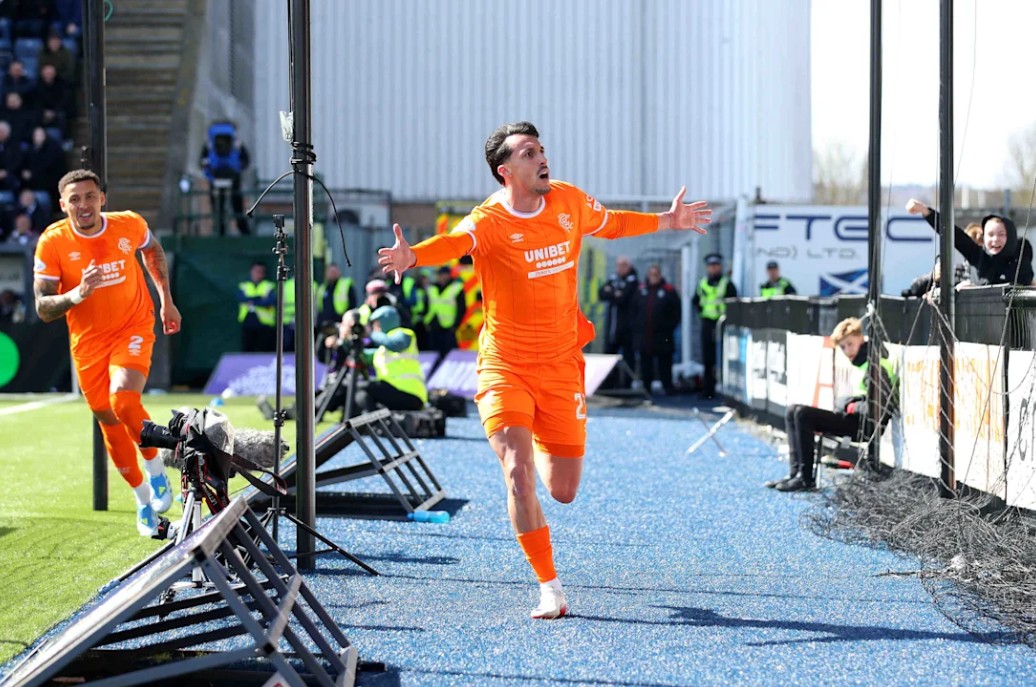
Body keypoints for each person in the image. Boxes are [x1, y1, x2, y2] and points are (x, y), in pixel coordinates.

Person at [376, 121, 711, 619]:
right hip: (504, 365)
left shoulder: (569, 202)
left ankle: (534, 431)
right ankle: (549, 586)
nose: (541, 157)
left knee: (564, 491)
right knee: (518, 473)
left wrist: (667, 220)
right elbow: (453, 242)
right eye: (529, 152)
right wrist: (413, 256)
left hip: (559, 366)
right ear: (505, 171)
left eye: (541, 149)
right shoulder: (488, 220)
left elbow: (614, 223)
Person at [33, 168, 182, 535]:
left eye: (89, 196)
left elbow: (152, 249)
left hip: (133, 327)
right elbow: (42, 307)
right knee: (109, 423)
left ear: (102, 197)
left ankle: (157, 468)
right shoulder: (52, 241)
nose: (83, 205)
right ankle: (144, 502)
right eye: (75, 199)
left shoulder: (128, 224)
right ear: (63, 205)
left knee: (124, 401)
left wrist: (166, 300)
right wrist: (76, 295)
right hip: (87, 344)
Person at [767, 317, 896, 492]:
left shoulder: (876, 364)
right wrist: (846, 403)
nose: (847, 350)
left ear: (861, 337)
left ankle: (806, 479)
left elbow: (876, 410)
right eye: (843, 347)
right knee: (792, 410)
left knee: (802, 414)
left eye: (850, 344)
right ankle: (795, 473)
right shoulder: (860, 363)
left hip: (865, 427)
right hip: (853, 420)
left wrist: (848, 405)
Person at [905, 199, 1034, 286]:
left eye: (1001, 234)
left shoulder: (1020, 257)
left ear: (1011, 236)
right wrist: (926, 211)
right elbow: (955, 235)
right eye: (990, 235)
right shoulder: (977, 256)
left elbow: (1022, 280)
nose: (995, 240)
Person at [351, 305, 428, 415]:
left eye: (376, 324)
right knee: (360, 390)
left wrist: (371, 334)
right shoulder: (381, 351)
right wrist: (347, 340)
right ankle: (367, 425)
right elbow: (362, 356)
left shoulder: (405, 334)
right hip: (394, 392)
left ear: (386, 320)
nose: (375, 328)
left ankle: (372, 424)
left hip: (411, 393)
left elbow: (395, 344)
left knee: (364, 387)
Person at [692, 253, 737, 398]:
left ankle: (726, 390)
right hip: (707, 322)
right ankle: (708, 390)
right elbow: (696, 301)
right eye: (711, 266)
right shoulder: (703, 283)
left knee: (725, 356)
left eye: (716, 266)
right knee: (708, 358)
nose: (713, 269)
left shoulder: (726, 283)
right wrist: (701, 313)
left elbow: (733, 302)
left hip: (723, 322)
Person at [633, 264, 682, 395]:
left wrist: (668, 327)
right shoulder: (641, 290)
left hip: (663, 334)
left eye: (656, 274)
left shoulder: (669, 291)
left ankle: (668, 387)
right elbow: (633, 311)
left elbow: (676, 312)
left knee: (665, 362)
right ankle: (646, 388)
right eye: (651, 274)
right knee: (645, 363)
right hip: (645, 334)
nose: (653, 277)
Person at [200, 121, 251, 236]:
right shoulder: (237, 144)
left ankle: (219, 231)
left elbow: (202, 161)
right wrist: (238, 168)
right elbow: (246, 160)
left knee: (218, 205)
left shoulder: (209, 144)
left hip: (215, 177)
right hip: (232, 177)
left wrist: (209, 171)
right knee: (236, 205)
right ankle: (244, 231)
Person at [597, 256, 639, 385]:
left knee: (628, 356)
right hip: (612, 328)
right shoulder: (613, 278)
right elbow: (601, 293)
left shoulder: (633, 280)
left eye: (623, 265)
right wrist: (615, 293)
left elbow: (623, 298)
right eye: (618, 265)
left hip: (627, 328)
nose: (620, 268)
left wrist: (612, 292)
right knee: (609, 356)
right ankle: (609, 384)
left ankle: (627, 384)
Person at [423, 265, 465, 357]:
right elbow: (426, 306)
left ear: (448, 275)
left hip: (449, 327)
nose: (440, 277)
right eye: (439, 275)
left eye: (442, 275)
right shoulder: (431, 288)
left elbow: (461, 308)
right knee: (433, 353)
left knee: (449, 353)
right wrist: (426, 322)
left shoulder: (456, 287)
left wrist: (456, 325)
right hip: (433, 325)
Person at [237, 261, 276, 352]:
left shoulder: (269, 286)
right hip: (247, 322)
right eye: (256, 271)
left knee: (264, 349)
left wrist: (252, 301)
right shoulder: (244, 286)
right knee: (247, 349)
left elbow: (270, 301)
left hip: (265, 324)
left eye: (261, 271)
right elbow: (241, 298)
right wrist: (259, 298)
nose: (258, 274)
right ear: (251, 271)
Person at [316, 262, 357, 333]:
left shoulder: (346, 285)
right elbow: (320, 309)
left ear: (339, 272)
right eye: (330, 272)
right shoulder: (322, 288)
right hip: (325, 326)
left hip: (341, 325)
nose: (332, 274)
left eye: (334, 272)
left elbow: (353, 305)